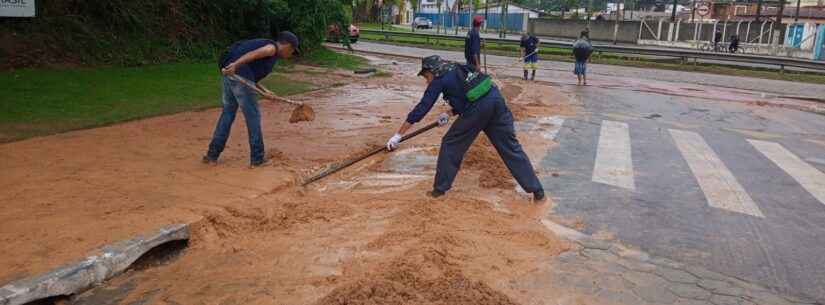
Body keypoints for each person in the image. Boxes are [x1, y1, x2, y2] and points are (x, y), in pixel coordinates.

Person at [386, 55, 545, 201]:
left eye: (426, 77)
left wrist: (398, 135)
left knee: (451, 143)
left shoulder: (439, 79)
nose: (427, 81)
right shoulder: (457, 68)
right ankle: (536, 189)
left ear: (432, 71)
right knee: (510, 147)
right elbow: (468, 94)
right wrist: (449, 113)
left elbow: (422, 108)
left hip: (479, 109)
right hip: (496, 99)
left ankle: (439, 190)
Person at [202, 31, 299, 167]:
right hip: (236, 73)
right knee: (253, 117)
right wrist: (236, 64)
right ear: (288, 46)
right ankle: (257, 159)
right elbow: (254, 55)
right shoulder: (272, 48)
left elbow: (250, 77)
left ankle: (211, 156)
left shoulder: (269, 51)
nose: (291, 55)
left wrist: (265, 91)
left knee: (227, 114)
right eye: (292, 51)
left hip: (230, 75)